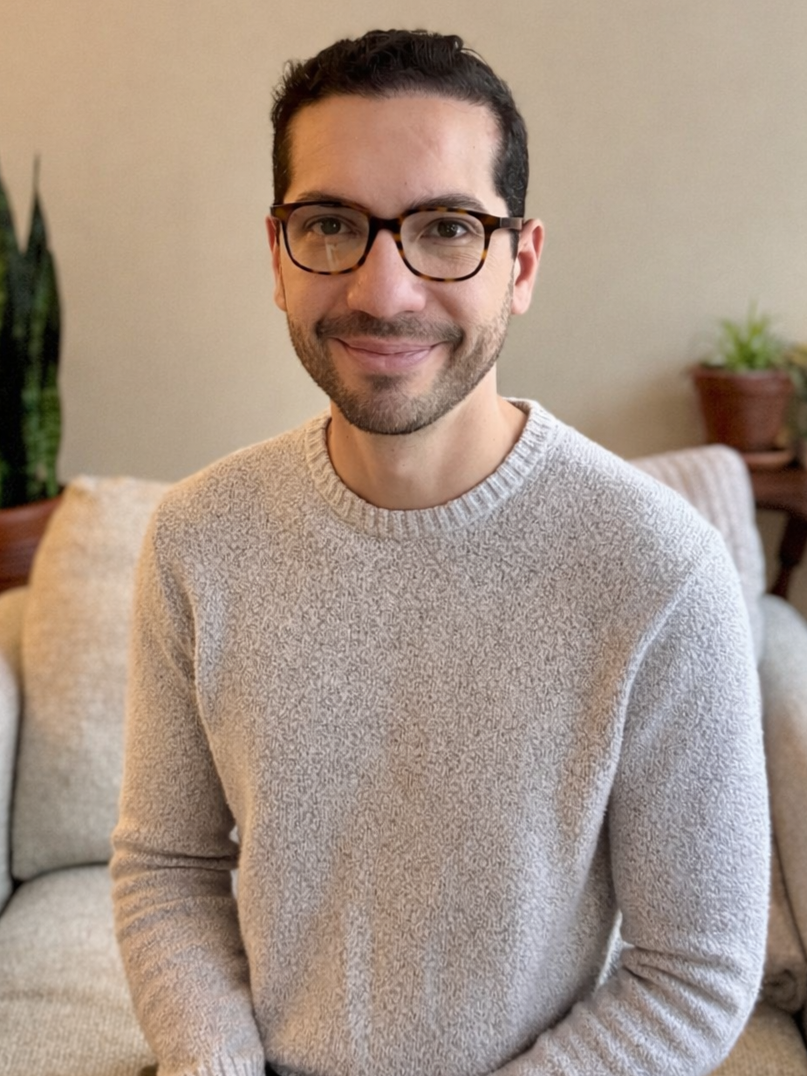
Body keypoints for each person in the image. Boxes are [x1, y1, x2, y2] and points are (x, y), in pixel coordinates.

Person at [111, 28, 769, 1076]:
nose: (386, 288)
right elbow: (167, 866)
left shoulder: (662, 570)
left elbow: (694, 967)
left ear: (522, 262)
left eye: (447, 227)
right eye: (331, 224)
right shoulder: (198, 537)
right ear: (277, 256)